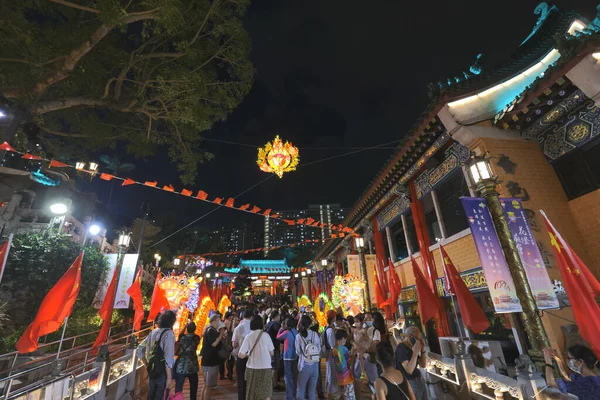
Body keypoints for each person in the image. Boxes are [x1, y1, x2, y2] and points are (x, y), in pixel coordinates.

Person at [137, 310, 177, 400]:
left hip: (151, 369)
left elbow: (139, 349)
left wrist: (146, 364)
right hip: (162, 370)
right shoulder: (169, 334)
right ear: (172, 322)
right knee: (160, 394)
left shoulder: (153, 332)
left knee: (151, 394)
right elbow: (168, 357)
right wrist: (169, 378)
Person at [238, 315, 275, 400]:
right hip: (265, 367)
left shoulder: (248, 336)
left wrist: (249, 354)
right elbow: (272, 353)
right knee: (265, 393)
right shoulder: (266, 336)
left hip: (252, 368)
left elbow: (241, 355)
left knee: (252, 393)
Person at [394, 326, 427, 400]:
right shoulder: (401, 348)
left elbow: (423, 365)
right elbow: (409, 370)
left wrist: (423, 351)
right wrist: (415, 352)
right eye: (417, 339)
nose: (418, 341)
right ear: (410, 337)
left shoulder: (411, 348)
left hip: (418, 380)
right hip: (410, 382)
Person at [296, 314, 321, 400]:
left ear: (301, 324)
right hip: (315, 365)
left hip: (304, 365)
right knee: (312, 392)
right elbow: (319, 348)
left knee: (301, 390)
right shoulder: (315, 334)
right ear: (310, 324)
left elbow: (298, 352)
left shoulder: (298, 336)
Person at [201, 315, 226, 400]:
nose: (219, 323)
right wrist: (221, 335)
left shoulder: (211, 330)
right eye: (218, 321)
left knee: (206, 384)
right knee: (209, 386)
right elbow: (214, 344)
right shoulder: (211, 330)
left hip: (209, 361)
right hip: (210, 362)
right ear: (214, 321)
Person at [174, 322, 200, 400]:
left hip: (181, 366)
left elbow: (180, 334)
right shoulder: (196, 338)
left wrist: (185, 326)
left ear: (187, 329)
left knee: (179, 386)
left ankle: (177, 398)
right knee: (193, 386)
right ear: (194, 329)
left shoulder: (182, 337)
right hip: (193, 366)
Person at [233, 309, 254, 400]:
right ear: (251, 317)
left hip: (241, 356)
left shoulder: (238, 327)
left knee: (241, 380)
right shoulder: (254, 327)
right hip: (252, 357)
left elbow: (234, 344)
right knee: (251, 380)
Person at [277, 316, 298, 400]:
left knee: (288, 377)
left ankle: (289, 396)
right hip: (294, 356)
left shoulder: (286, 333)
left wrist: (281, 329)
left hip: (287, 357)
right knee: (294, 376)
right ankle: (294, 394)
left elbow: (278, 337)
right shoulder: (296, 332)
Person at [332, 329, 355, 400]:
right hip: (347, 374)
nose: (345, 341)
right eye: (345, 339)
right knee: (350, 392)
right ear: (342, 339)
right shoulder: (344, 349)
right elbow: (349, 361)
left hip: (339, 374)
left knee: (344, 391)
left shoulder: (334, 349)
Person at [265, 310, 283, 390]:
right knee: (275, 367)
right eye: (278, 316)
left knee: (272, 366)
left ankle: (273, 383)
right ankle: (273, 385)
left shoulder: (268, 324)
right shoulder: (276, 325)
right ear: (276, 316)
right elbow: (280, 336)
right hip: (275, 347)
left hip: (269, 347)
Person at [324, 311, 340, 398]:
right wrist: (336, 356)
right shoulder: (330, 330)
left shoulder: (328, 328)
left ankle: (330, 394)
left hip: (329, 354)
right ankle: (329, 395)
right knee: (331, 374)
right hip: (331, 354)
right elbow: (332, 345)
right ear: (333, 318)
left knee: (330, 373)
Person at [221, 312, 235, 381]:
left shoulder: (225, 322)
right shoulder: (229, 322)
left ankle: (225, 372)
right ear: (229, 316)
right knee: (230, 358)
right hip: (229, 342)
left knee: (227, 358)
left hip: (226, 342)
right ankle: (229, 373)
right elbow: (232, 331)